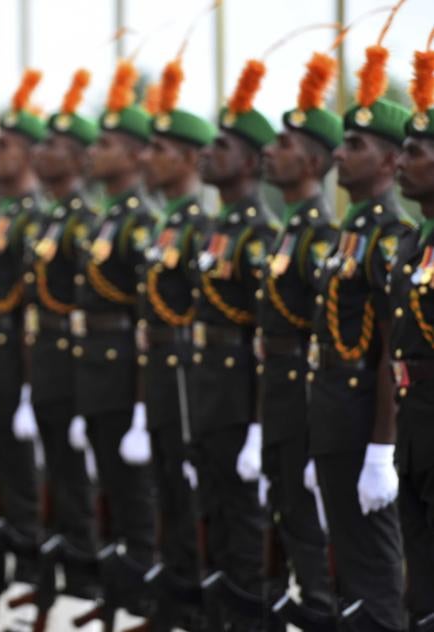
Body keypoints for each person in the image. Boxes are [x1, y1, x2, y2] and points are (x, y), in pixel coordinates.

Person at [308, 42, 411, 631]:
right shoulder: (350, 236)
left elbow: (390, 351)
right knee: (347, 577)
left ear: (391, 163)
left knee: (375, 580)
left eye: (356, 146)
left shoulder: (391, 236)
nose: (341, 156)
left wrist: (381, 448)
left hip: (366, 424)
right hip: (333, 419)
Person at [190, 58, 278, 608]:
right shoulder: (218, 228)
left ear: (249, 162)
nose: (207, 153)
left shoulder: (261, 233)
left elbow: (270, 337)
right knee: (215, 525)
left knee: (246, 532)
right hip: (207, 394)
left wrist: (258, 424)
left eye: (220, 147)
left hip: (240, 393)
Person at [259, 51, 339, 615]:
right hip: (277, 394)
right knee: (282, 522)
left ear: (312, 162)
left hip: (308, 399)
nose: (270, 151)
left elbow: (333, 340)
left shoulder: (319, 237)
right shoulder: (288, 232)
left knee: (312, 536)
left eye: (284, 145)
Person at [135, 57, 214, 632]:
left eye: (162, 150)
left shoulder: (199, 228)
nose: (149, 158)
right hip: (161, 375)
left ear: (189, 159)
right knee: (167, 498)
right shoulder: (168, 224)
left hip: (190, 379)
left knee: (191, 508)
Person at [24, 69, 100, 605]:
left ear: (77, 160)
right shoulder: (53, 219)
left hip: (78, 375)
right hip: (47, 371)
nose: (41, 152)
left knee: (78, 490)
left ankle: (87, 589)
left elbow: (87, 312)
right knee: (57, 486)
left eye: (53, 145)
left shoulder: (82, 222)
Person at [81, 57, 157, 586]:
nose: (95, 153)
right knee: (112, 490)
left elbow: (147, 315)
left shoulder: (142, 221)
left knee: (139, 499)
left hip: (125, 370)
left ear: (133, 154)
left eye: (106, 145)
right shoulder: (110, 216)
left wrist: (140, 404)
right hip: (98, 373)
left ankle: (146, 596)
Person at [0, 69, 45, 587]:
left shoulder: (34, 219)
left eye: (5, 146)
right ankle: (8, 579)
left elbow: (32, 308)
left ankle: (33, 587)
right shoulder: (2, 216)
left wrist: (27, 385)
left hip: (21, 372)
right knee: (2, 483)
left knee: (26, 488)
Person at [390, 43, 434, 629]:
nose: (401, 160)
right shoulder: (411, 240)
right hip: (415, 418)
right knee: (419, 587)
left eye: (415, 151)